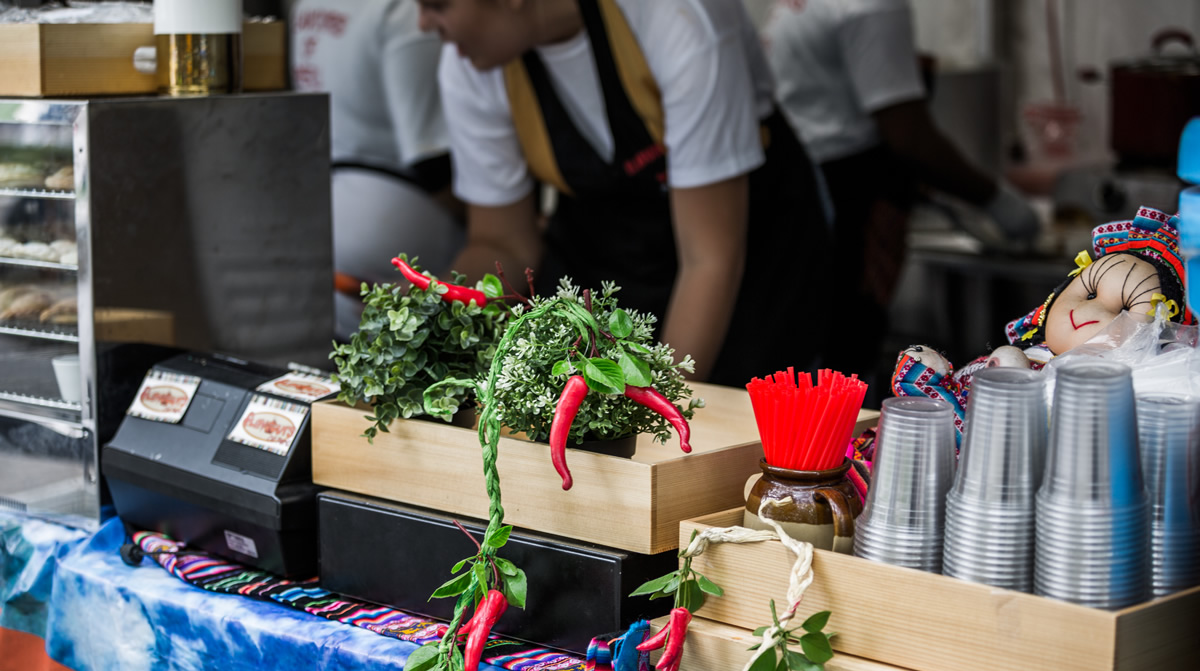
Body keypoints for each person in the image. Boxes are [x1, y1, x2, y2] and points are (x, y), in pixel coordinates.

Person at [415, 0, 835, 387]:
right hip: (608, 248)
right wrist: (426, 326)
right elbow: (504, 242)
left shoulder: (678, 18)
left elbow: (710, 259)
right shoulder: (474, 62)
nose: (423, 24)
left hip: (745, 255)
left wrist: (656, 403)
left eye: (437, 4)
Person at [762, 0, 1041, 399]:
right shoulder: (872, 6)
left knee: (811, 345)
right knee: (842, 351)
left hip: (801, 184)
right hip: (845, 196)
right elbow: (908, 134)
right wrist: (997, 200)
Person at [893, 206, 1190, 445]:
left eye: (1125, 308)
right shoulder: (1036, 354)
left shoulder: (1086, 407)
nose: (1089, 309)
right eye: (1089, 292)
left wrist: (923, 383)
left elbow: (982, 445)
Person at [290, 0, 465, 339]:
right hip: (400, 214)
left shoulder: (306, 5)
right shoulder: (403, 9)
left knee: (359, 370)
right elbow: (430, 157)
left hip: (326, 212)